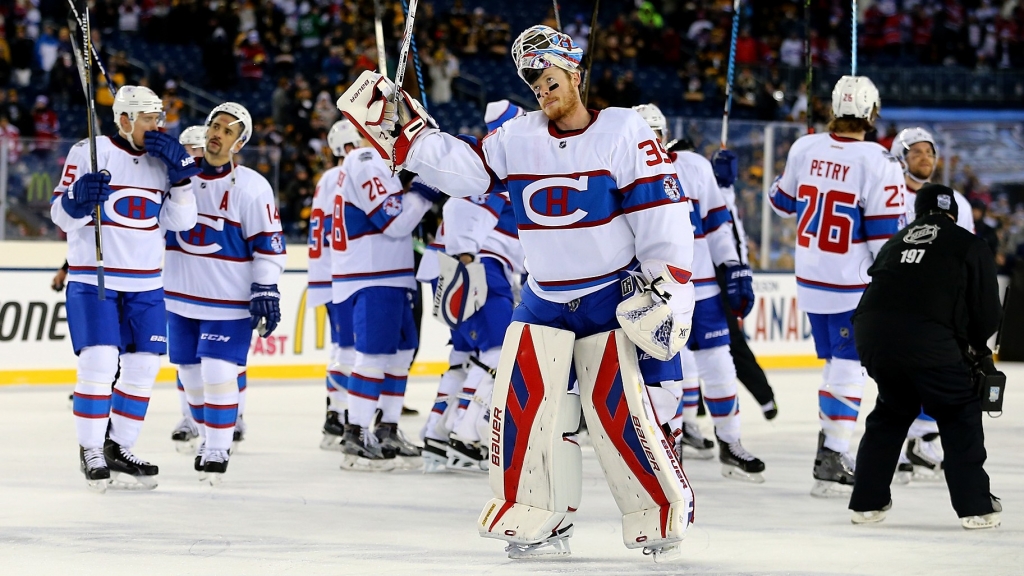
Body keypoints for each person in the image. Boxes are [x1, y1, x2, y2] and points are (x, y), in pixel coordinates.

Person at [338, 25, 695, 560]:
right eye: (531, 80)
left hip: (609, 297)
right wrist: (409, 137)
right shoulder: (517, 137)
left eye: (547, 76)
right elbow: (467, 172)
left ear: (574, 71)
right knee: (524, 410)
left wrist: (669, 287)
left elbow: (662, 217)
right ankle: (538, 515)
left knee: (620, 412)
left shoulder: (623, 131)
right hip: (544, 298)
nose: (539, 88)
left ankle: (657, 509)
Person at [50, 85, 199, 492]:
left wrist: (183, 180)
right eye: (150, 118)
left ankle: (121, 446)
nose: (158, 126)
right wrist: (78, 200)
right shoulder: (90, 151)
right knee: (98, 364)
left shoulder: (161, 160)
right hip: (93, 277)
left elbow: (180, 224)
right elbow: (60, 217)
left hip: (147, 283)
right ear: (125, 120)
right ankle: (92, 450)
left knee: (144, 368)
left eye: (159, 117)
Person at [768, 75, 906, 498]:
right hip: (852, 282)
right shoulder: (880, 163)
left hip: (811, 277)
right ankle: (834, 452)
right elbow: (886, 239)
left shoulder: (803, 147)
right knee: (850, 368)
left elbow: (780, 202)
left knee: (836, 365)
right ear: (871, 112)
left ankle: (828, 446)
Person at [849, 184, 1003, 530]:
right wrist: (976, 351)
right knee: (957, 410)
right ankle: (975, 506)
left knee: (891, 410)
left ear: (917, 211)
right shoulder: (968, 243)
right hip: (928, 340)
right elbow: (987, 313)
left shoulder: (893, 243)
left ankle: (866, 503)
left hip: (872, 337)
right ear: (956, 213)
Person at [634, 103, 764, 481]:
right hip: (652, 288)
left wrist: (731, 265)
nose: (650, 145)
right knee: (669, 372)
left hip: (701, 284)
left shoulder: (692, 166)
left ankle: (730, 441)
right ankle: (667, 445)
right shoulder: (616, 172)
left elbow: (719, 223)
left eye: (654, 136)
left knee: (720, 365)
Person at [164, 102, 286, 485]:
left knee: (218, 372)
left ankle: (218, 447)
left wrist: (266, 286)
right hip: (179, 296)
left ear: (240, 141)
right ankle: (206, 438)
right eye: (214, 125)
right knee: (191, 376)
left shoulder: (252, 185)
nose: (218, 133)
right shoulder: (177, 178)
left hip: (227, 302)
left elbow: (268, 242)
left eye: (228, 130)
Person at [416, 100, 527, 473]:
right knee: (499, 351)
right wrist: (465, 261)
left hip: (463, 265)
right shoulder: (497, 162)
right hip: (480, 267)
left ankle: (437, 432)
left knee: (464, 355)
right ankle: (468, 434)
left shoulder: (491, 162)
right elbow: (464, 208)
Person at [330, 139, 437, 472]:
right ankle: (356, 432)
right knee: (374, 356)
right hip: (374, 273)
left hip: (389, 273)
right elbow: (396, 222)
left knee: (402, 352)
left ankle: (386, 428)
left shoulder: (379, 162)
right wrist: (423, 191)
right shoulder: (366, 160)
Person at [888, 127, 975, 483]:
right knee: (895, 379)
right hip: (895, 302)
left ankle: (920, 438)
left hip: (937, 304)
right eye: (917, 152)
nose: (926, 158)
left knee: (942, 374)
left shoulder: (957, 203)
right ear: (900, 158)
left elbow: (967, 253)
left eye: (930, 152)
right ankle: (904, 445)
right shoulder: (887, 197)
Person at [168, 125, 250, 454]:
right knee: (187, 362)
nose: (192, 154)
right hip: (184, 289)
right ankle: (191, 417)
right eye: (186, 148)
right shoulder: (175, 182)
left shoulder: (236, 184)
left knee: (225, 365)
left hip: (223, 293)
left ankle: (234, 416)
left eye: (195, 148)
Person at [707, 145, 778, 419]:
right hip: (695, 273)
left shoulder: (722, 195)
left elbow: (733, 236)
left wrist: (740, 272)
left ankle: (764, 396)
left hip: (718, 276)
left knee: (729, 342)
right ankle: (691, 412)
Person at [308, 119, 363, 450]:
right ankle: (337, 413)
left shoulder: (327, 178)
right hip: (342, 274)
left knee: (344, 347)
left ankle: (336, 411)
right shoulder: (344, 176)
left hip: (330, 273)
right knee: (348, 349)